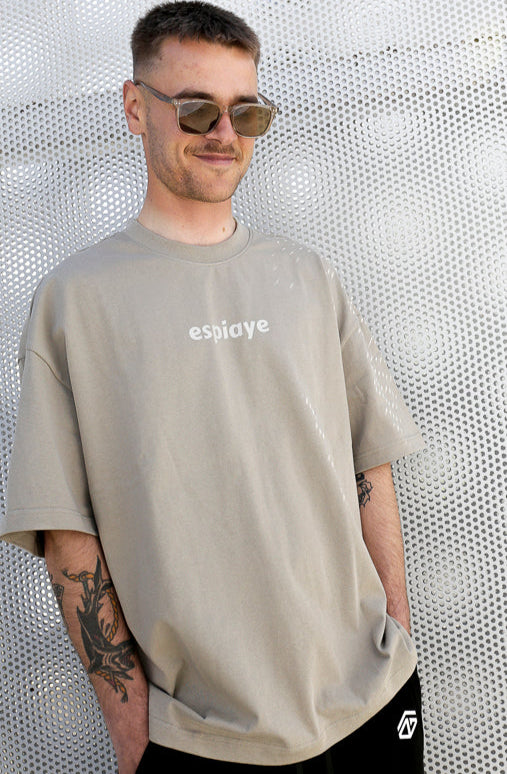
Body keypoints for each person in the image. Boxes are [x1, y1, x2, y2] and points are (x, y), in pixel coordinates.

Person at [0, 2, 426, 772]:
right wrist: (132, 732)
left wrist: (395, 633)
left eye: (246, 112)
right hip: (200, 736)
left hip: (370, 701)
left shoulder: (306, 276)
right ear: (136, 107)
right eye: (195, 109)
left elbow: (369, 464)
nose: (224, 133)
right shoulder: (75, 302)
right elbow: (65, 533)